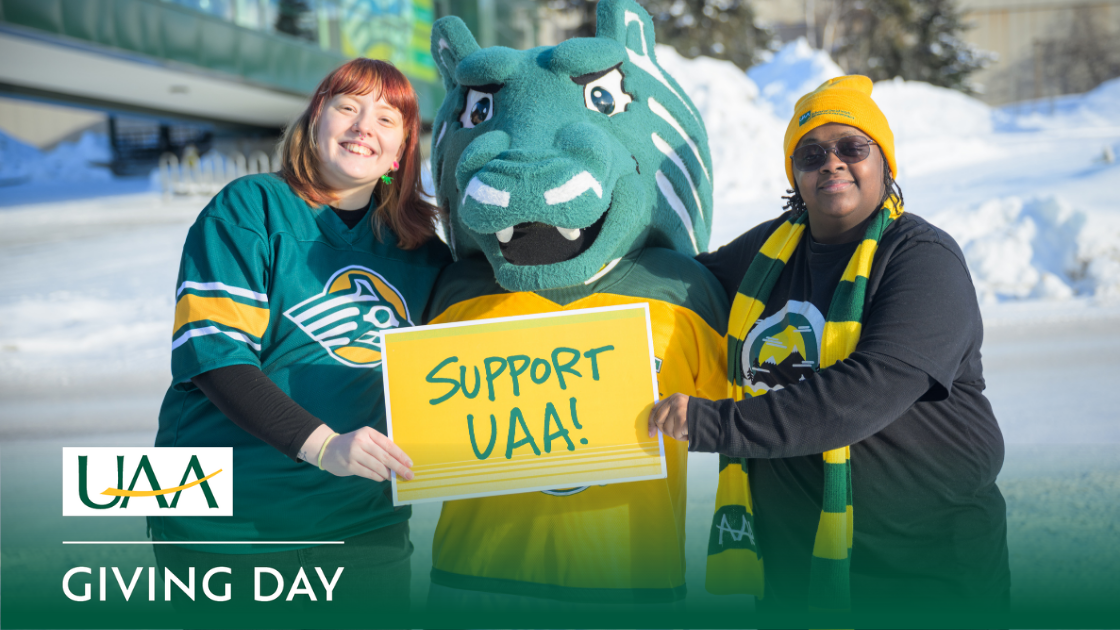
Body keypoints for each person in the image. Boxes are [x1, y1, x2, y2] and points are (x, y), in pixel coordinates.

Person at [648, 75, 1010, 617]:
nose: (831, 163)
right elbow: (679, 287)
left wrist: (714, 424)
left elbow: (862, 394)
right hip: (795, 581)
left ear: (885, 163)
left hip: (926, 575)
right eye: (811, 152)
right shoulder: (769, 251)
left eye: (852, 148)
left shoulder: (921, 259)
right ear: (794, 173)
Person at [150, 58, 451, 618]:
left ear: (401, 152)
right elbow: (218, 358)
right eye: (347, 107)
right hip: (228, 528)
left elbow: (473, 367)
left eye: (387, 118)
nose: (364, 126)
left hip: (362, 527)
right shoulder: (249, 208)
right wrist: (322, 445)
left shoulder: (424, 254)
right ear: (314, 122)